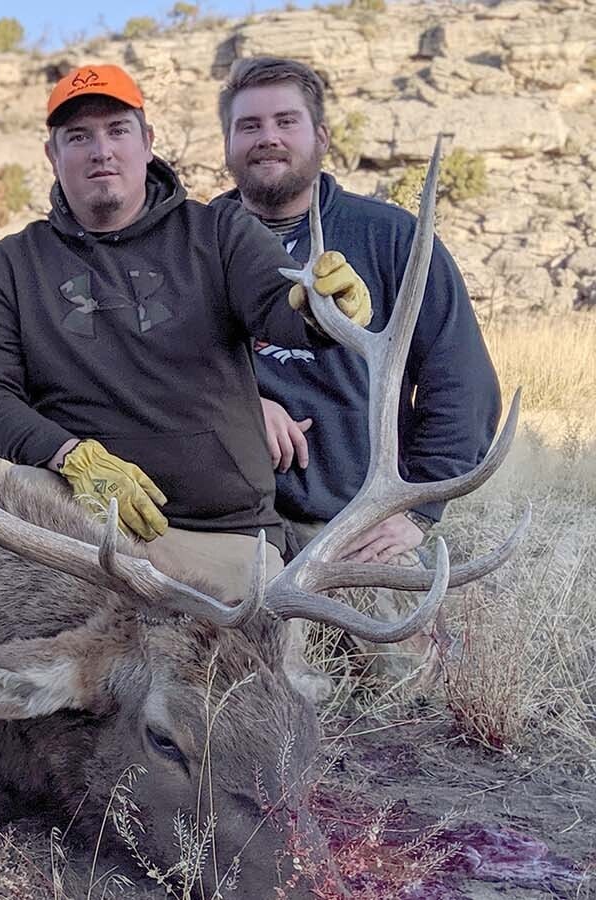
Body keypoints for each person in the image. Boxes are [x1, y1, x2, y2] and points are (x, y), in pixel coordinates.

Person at [0, 62, 373, 672]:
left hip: (222, 540)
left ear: (147, 142)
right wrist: (70, 455)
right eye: (79, 137)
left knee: (242, 708)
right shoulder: (9, 267)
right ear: (51, 154)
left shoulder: (220, 231)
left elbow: (279, 305)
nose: (101, 151)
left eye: (118, 130)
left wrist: (322, 308)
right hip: (82, 528)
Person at [212, 56, 501, 690]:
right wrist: (239, 406)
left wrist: (417, 511)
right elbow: (148, 378)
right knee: (222, 699)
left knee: (399, 692)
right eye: (249, 125)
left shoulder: (390, 237)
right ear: (229, 144)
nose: (268, 137)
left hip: (352, 523)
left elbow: (462, 383)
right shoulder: (195, 242)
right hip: (226, 528)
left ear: (321, 136)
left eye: (287, 120)